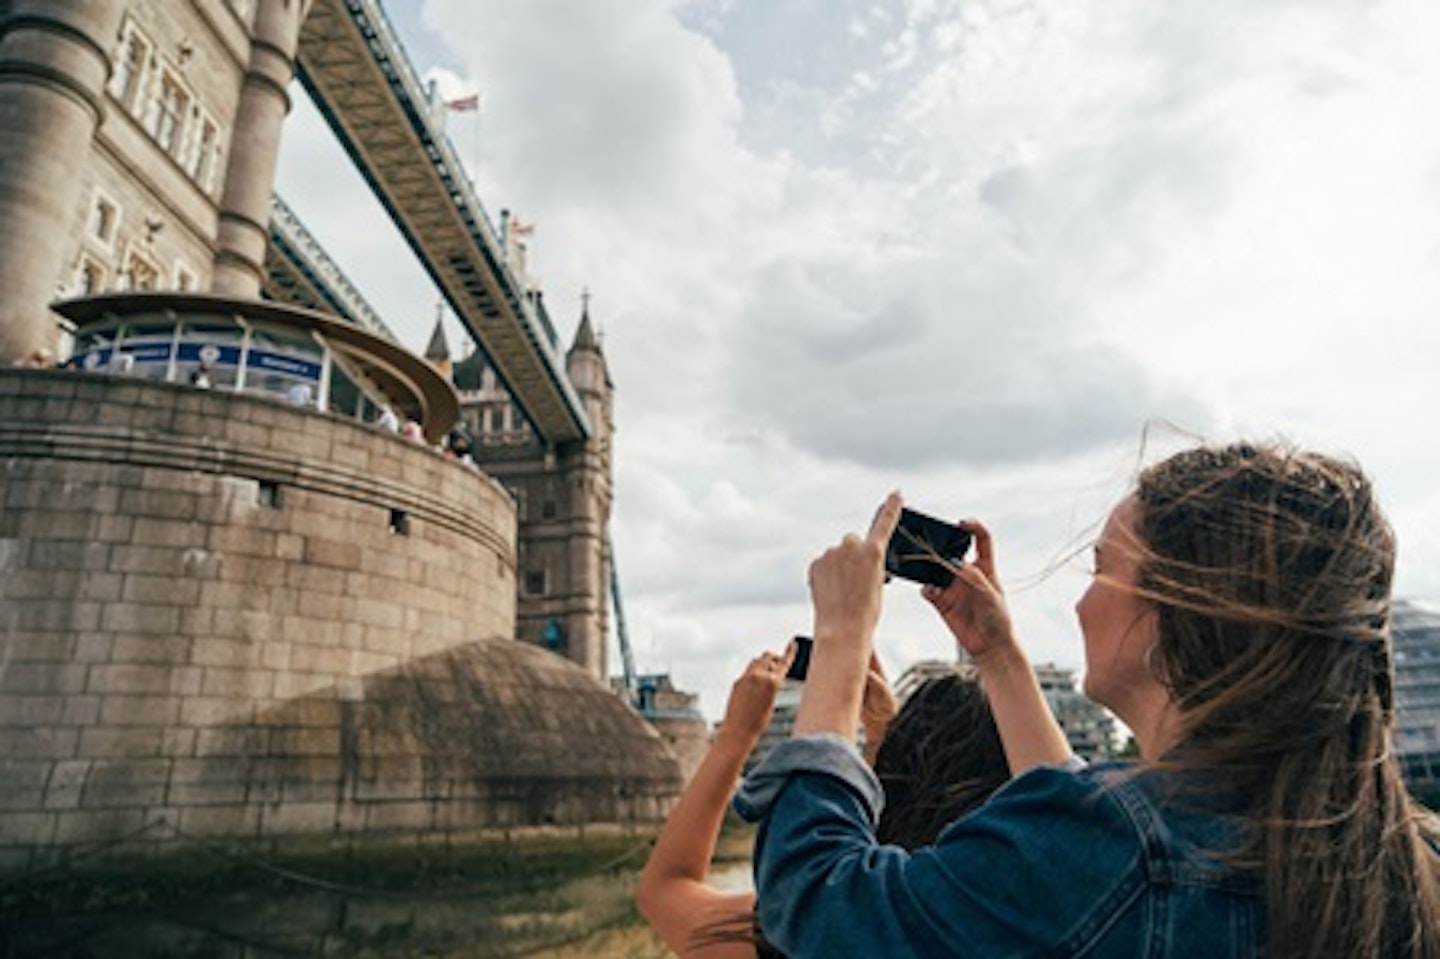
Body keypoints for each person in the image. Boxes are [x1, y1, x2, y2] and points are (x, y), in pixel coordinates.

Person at [737, 441, 1440, 957]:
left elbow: (818, 903)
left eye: (1102, 569)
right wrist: (1000, 657)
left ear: (1175, 612)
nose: (1079, 604)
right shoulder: (1391, 856)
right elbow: (1099, 847)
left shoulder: (1122, 850)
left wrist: (842, 640)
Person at [637, 647, 1010, 958]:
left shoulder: (816, 922)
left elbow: (665, 889)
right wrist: (883, 743)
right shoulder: (1029, 921)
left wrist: (736, 733)